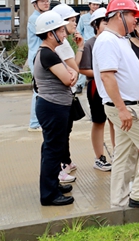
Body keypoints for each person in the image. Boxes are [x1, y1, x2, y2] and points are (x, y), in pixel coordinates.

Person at [93, 0, 139, 209]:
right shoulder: (107, 41)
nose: (136, 20)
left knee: (125, 154)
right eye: (132, 15)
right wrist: (122, 109)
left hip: (131, 106)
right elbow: (107, 76)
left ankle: (119, 201)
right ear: (119, 16)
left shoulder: (119, 39)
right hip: (128, 107)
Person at [33, 11, 78, 206]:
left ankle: (53, 186)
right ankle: (49, 195)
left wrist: (71, 73)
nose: (64, 33)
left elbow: (71, 73)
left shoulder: (50, 53)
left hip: (53, 106)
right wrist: (71, 74)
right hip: (53, 107)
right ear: (50, 34)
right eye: (60, 30)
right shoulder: (48, 54)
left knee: (53, 148)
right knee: (52, 150)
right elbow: (69, 78)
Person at [51, 4, 85, 184]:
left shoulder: (62, 43)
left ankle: (66, 161)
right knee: (61, 132)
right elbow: (74, 68)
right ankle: (61, 166)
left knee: (65, 130)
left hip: (65, 93)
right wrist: (81, 48)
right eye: (71, 20)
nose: (75, 23)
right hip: (61, 94)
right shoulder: (62, 45)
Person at [78, 7, 114, 172]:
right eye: (105, 22)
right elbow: (83, 69)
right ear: (96, 25)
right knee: (99, 122)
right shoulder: (90, 44)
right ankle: (99, 158)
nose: (108, 25)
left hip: (112, 85)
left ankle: (118, 154)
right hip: (95, 87)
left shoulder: (114, 42)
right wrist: (102, 74)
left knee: (115, 121)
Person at [27, 0, 52, 132]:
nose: (46, 3)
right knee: (38, 90)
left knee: (42, 89)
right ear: (34, 4)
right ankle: (34, 123)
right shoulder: (35, 19)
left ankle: (39, 121)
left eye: (47, 0)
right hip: (37, 58)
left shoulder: (43, 17)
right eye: (42, 1)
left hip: (42, 56)